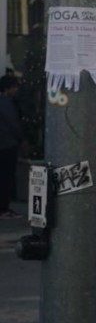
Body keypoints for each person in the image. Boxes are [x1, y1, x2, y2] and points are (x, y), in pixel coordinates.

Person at [0, 75, 23, 219]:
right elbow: (13, 123)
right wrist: (21, 138)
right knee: (6, 177)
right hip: (7, 144)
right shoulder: (6, 103)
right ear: (7, 88)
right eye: (14, 87)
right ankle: (3, 208)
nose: (16, 90)